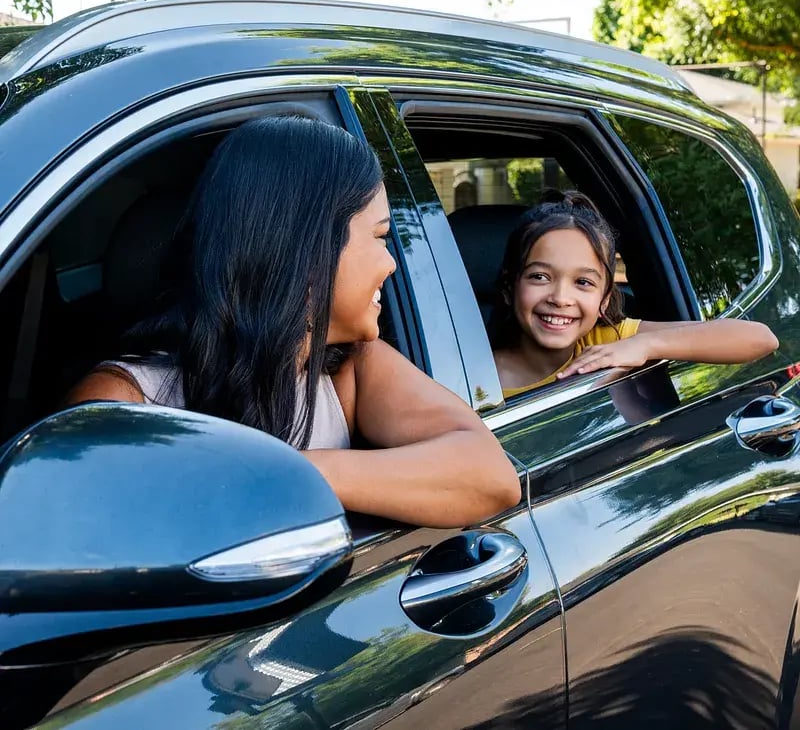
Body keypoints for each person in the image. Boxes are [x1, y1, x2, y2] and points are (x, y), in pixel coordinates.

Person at [67, 116, 520, 527]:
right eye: (380, 237)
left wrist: (279, 472)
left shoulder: (348, 368)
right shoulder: (124, 401)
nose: (392, 265)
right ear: (306, 248)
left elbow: (490, 476)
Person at [490, 189, 778, 398]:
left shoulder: (606, 340)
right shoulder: (474, 375)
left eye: (583, 283)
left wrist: (645, 346)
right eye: (540, 277)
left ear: (604, 300)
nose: (560, 297)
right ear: (508, 287)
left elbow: (760, 338)